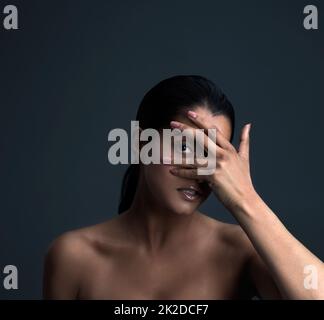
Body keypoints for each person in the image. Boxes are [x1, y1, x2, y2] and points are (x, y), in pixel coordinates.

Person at [43, 75, 324, 299]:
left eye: (213, 155)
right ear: (141, 144)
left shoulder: (241, 251)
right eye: (186, 146)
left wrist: (246, 200)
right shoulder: (74, 256)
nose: (202, 172)